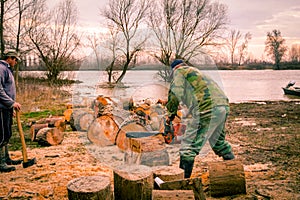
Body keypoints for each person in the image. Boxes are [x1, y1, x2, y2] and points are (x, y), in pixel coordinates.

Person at [165, 59, 234, 178]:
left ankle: (183, 181)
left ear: (173, 69)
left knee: (188, 147)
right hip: (222, 106)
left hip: (207, 109)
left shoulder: (179, 72)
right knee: (219, 142)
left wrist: (171, 113)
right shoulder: (196, 72)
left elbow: (175, 93)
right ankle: (234, 171)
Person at [0, 49, 22, 172]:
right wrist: (11, 103)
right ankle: (1, 162)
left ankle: (6, 159)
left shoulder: (7, 69)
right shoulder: (1, 69)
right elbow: (0, 91)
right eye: (15, 60)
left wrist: (10, 107)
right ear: (10, 58)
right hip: (1, 109)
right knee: (2, 135)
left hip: (6, 108)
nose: (16, 62)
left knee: (7, 133)